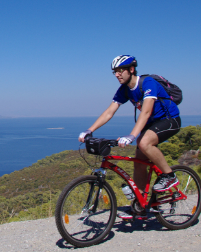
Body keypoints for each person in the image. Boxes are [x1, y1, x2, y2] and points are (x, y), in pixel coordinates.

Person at [78, 55, 181, 201]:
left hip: (169, 120)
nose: (117, 75)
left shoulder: (148, 83)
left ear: (131, 69)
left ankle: (169, 176)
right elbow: (109, 112)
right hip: (152, 124)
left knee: (144, 143)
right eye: (115, 72)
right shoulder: (124, 89)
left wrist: (132, 136)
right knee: (139, 163)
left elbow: (145, 112)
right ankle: (140, 203)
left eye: (120, 71)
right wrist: (90, 130)